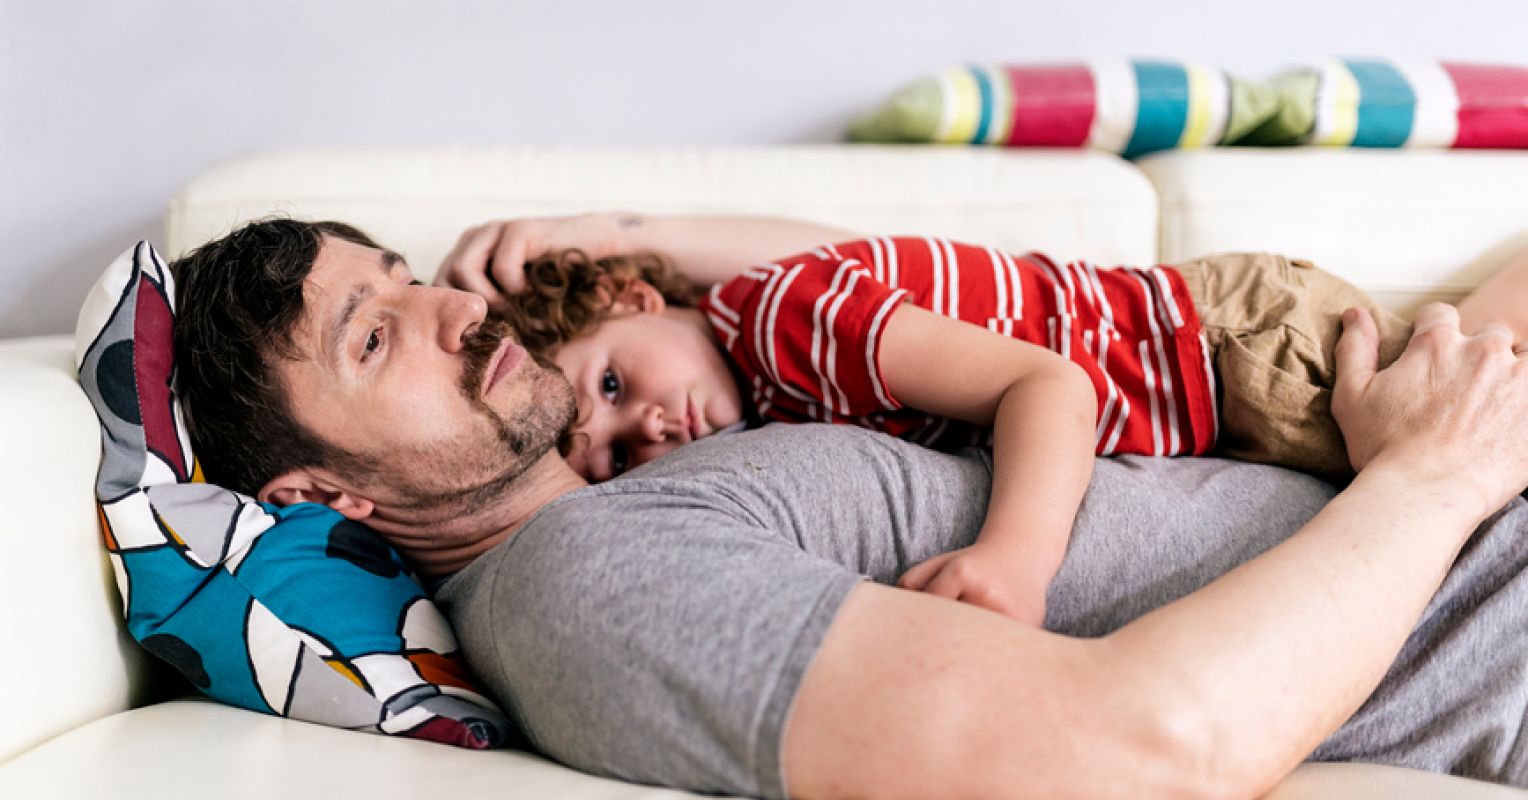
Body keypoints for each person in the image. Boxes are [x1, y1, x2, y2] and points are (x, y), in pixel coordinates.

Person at [172, 217, 1528, 798]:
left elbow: (853, 281)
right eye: (373, 338)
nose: (460, 313)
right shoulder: (580, 585)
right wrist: (1439, 472)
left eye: (413, 279)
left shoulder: (643, 475)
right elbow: (1140, 755)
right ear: (322, 495)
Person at [434, 213, 1521, 626]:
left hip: (1226, 358)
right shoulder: (781, 324)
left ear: (635, 296)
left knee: (1481, 413)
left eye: (617, 387)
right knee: (1475, 361)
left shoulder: (778, 318)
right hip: (1217, 338)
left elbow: (1051, 386)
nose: (652, 430)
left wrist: (1013, 557)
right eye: (618, 454)